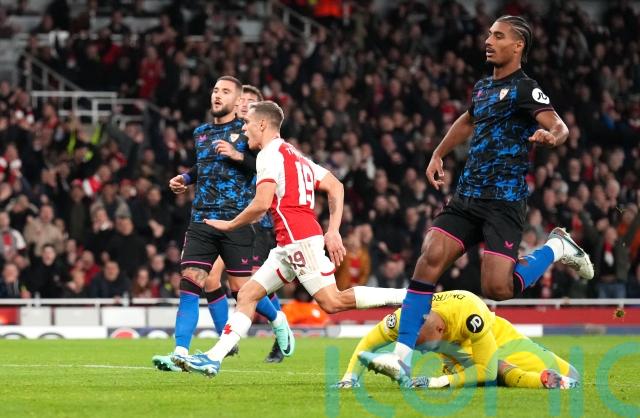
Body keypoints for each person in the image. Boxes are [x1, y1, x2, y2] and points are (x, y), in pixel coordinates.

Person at [361, 15, 594, 386]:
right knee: (429, 258)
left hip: (504, 202)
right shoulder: (484, 87)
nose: (489, 40)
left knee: (497, 289)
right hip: (467, 196)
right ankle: (401, 359)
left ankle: (556, 247)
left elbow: (558, 124)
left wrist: (553, 137)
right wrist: (438, 153)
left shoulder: (525, 88)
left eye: (498, 36)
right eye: (489, 34)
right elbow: (467, 121)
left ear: (518, 45)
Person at [171, 101, 406, 377]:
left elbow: (261, 204)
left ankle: (409, 297)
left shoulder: (268, 155)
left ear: (262, 124)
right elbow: (335, 185)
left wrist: (230, 224)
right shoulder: (293, 154)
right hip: (288, 243)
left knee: (333, 301)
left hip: (299, 240)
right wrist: (332, 230)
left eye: (247, 123)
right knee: (247, 294)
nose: (244, 129)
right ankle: (213, 359)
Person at [152, 78, 293, 372]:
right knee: (191, 281)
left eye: (225, 92)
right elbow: (204, 166)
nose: (218, 95)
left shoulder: (248, 132)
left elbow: (265, 167)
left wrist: (238, 155)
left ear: (238, 100)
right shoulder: (201, 133)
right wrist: (185, 179)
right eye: (216, 90)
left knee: (242, 289)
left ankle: (278, 320)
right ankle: (179, 353)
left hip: (237, 220)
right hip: (202, 218)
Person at [335, 290, 579, 389]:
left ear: (440, 329)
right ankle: (542, 380)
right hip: (454, 356)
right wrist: (349, 378)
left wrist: (437, 382)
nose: (421, 352)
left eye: (424, 346)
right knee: (496, 372)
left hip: (496, 337)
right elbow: (369, 342)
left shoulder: (470, 314)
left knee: (573, 374)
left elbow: (486, 370)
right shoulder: (403, 318)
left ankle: (549, 379)